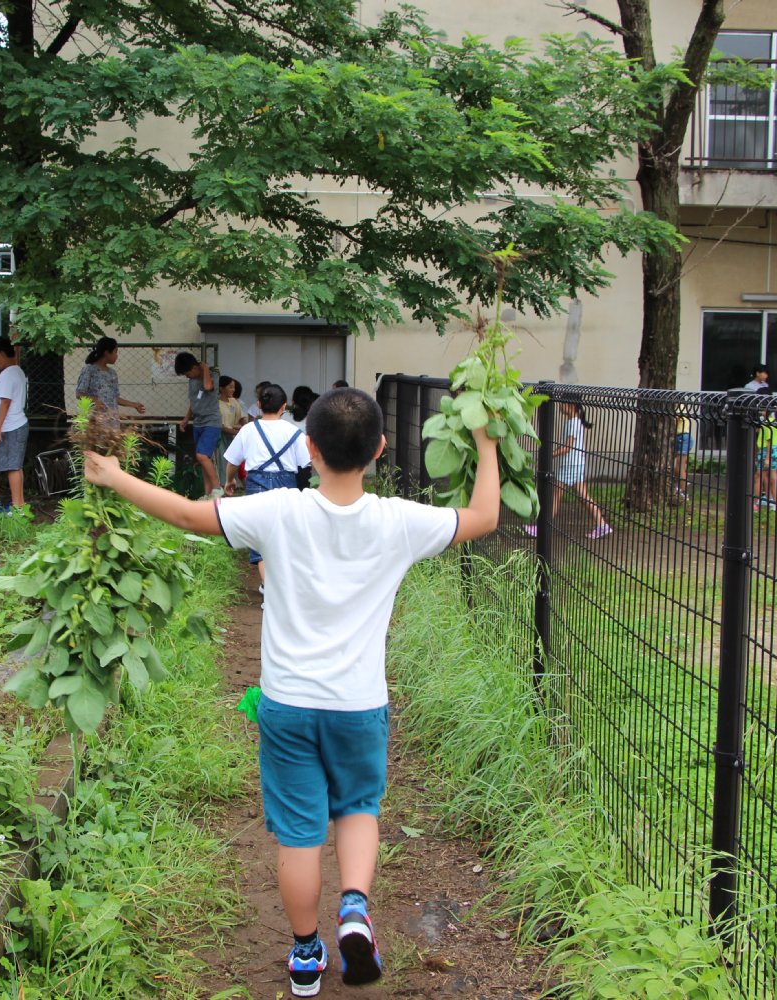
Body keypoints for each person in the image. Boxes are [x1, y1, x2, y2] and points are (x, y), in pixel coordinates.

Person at [82, 387, 500, 998]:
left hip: (289, 705)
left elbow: (184, 514)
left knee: (300, 833)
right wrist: (486, 445)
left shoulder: (278, 510)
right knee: (358, 808)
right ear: (380, 450)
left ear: (309, 449)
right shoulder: (400, 520)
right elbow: (485, 516)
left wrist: (115, 477)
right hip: (360, 705)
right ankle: (354, 910)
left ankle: (307, 953)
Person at [223, 383, 310, 586]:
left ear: (259, 404)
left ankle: (268, 586)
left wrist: (229, 480)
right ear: (284, 407)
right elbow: (305, 464)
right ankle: (281, 585)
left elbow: (233, 462)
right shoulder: (295, 432)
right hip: (287, 483)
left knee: (260, 537)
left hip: (256, 483)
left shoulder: (248, 430)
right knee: (283, 534)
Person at [524, 401, 611, 540]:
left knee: (555, 497)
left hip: (570, 466)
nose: (560, 407)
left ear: (571, 406)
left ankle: (541, 529)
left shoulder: (573, 423)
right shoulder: (575, 422)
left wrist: (549, 454)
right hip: (576, 464)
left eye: (562, 404)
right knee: (582, 497)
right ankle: (602, 525)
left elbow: (567, 447)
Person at [175, 350, 222, 497]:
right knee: (203, 459)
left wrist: (205, 368)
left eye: (187, 373)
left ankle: (217, 489)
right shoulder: (192, 381)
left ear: (195, 368)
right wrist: (186, 419)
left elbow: (208, 387)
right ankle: (208, 494)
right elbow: (194, 402)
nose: (187, 376)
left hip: (211, 422)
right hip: (198, 423)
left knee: (202, 455)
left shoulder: (212, 375)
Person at [0, 337, 28, 510]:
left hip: (10, 426)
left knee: (12, 468)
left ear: (2, 354)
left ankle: (16, 507)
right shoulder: (18, 371)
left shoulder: (6, 375)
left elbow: (5, 402)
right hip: (18, 424)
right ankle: (20, 504)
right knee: (17, 467)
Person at [76, 336, 146, 427]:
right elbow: (79, 394)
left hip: (112, 421)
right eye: (115, 352)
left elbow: (115, 398)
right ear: (106, 353)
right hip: (95, 421)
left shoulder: (112, 373)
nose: (117, 355)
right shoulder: (89, 370)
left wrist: (134, 405)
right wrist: (95, 400)